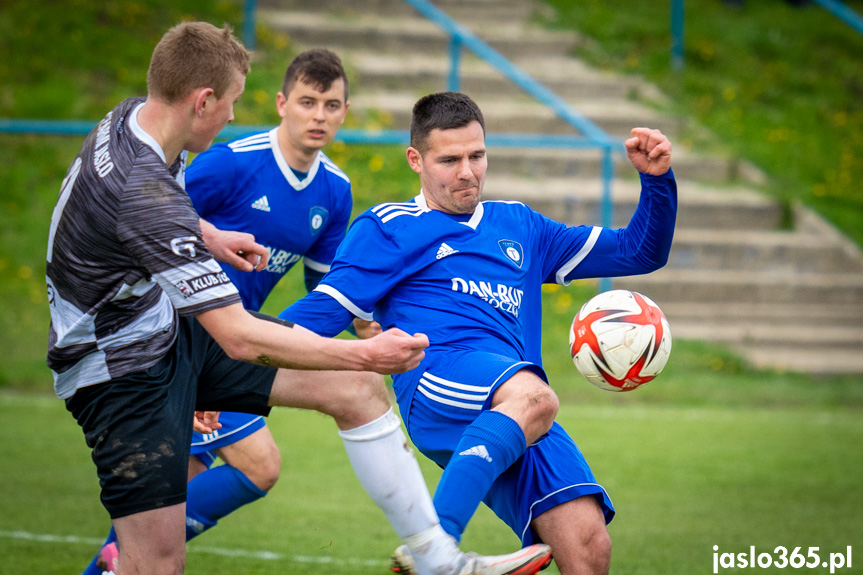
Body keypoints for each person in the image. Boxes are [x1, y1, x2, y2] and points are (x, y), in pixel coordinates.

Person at [47, 24, 550, 575]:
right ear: (203, 100)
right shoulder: (146, 191)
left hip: (165, 329)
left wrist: (208, 235)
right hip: (120, 370)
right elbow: (236, 335)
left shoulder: (129, 120)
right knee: (157, 563)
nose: (234, 118)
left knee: (357, 391)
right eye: (233, 103)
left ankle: (437, 560)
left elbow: (135, 215)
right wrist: (367, 353)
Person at [280, 92, 678, 574]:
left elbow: (639, 252)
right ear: (416, 160)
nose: (467, 172)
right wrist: (228, 367)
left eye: (477, 155)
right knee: (538, 399)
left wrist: (657, 182)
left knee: (589, 547)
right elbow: (318, 314)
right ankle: (436, 551)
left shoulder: (521, 226)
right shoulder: (389, 228)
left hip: (512, 401)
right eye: (449, 160)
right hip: (438, 379)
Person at [80, 47, 386, 575]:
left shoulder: (335, 191)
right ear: (282, 103)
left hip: (232, 347)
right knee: (259, 464)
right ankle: (434, 550)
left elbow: (326, 295)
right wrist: (194, 356)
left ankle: (111, 562)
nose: (319, 116)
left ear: (345, 111)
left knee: (165, 490)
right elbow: (152, 222)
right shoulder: (230, 162)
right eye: (308, 102)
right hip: (182, 339)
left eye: (331, 105)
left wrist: (364, 324)